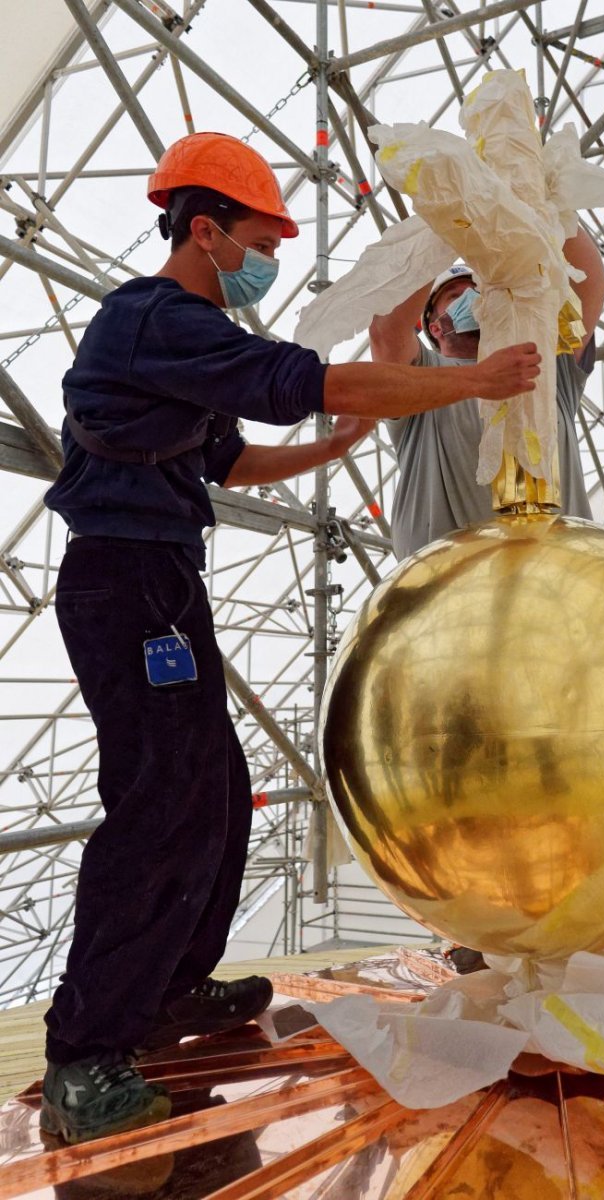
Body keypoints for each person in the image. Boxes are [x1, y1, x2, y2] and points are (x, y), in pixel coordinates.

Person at [39, 131, 540, 1145]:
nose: (267, 259)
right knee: (156, 806)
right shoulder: (156, 319)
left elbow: (235, 465)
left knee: (213, 793)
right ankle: (85, 1052)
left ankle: (171, 989)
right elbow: (310, 379)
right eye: (260, 236)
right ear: (205, 229)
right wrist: (466, 382)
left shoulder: (183, 349)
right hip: (123, 580)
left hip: (163, 582)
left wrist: (347, 434)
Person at [368, 226, 604, 559]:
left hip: (557, 587)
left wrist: (547, 201)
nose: (475, 297)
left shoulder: (540, 362)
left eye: (481, 288)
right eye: (455, 295)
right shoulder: (422, 375)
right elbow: (386, 332)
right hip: (450, 588)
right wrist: (445, 226)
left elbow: (589, 283)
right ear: (434, 327)